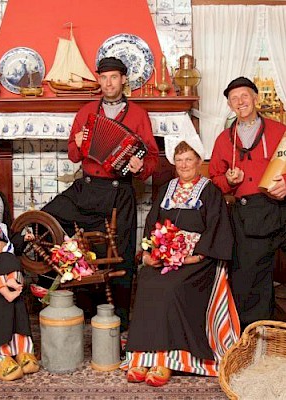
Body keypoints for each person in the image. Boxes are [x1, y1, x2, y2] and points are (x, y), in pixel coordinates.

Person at [42, 56, 159, 331]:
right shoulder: (85, 112)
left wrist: (140, 166)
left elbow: (152, 157)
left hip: (120, 192)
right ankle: (79, 307)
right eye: (104, 78)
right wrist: (79, 144)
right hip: (88, 188)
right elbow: (72, 154)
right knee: (50, 218)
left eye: (114, 77)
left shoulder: (138, 115)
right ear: (99, 80)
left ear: (122, 80)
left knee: (123, 253)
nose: (108, 83)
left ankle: (120, 321)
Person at [122, 138, 240, 386]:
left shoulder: (210, 191)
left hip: (198, 260)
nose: (184, 165)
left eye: (189, 159)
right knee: (147, 281)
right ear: (174, 163)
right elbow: (152, 222)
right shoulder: (166, 189)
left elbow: (216, 230)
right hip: (165, 257)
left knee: (170, 289)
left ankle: (165, 360)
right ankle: (142, 357)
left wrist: (193, 257)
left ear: (199, 162)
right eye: (179, 160)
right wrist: (147, 253)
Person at [209, 76, 286, 330]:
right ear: (230, 106)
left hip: (281, 207)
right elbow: (215, 179)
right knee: (249, 277)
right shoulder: (224, 140)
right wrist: (230, 181)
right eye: (234, 99)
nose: (240, 102)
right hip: (247, 213)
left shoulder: (279, 131)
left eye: (244, 96)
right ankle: (255, 335)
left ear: (256, 98)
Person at [0, 136, 39, 381]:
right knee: (1, 276)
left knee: (10, 268)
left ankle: (20, 348)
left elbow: (6, 232)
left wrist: (21, 239)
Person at [0, 190, 34, 302]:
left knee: (11, 260)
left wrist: (23, 238)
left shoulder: (1, 228)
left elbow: (11, 241)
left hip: (2, 259)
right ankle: (6, 292)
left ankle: (11, 280)